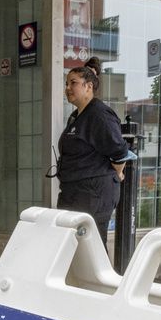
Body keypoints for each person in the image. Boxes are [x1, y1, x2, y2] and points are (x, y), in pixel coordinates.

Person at [56, 57, 131, 247]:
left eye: (73, 83)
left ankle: (98, 278)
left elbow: (120, 151)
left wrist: (118, 172)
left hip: (93, 193)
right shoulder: (76, 116)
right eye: (66, 84)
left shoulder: (99, 114)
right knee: (72, 247)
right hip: (74, 191)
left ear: (88, 86)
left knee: (91, 249)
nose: (68, 88)